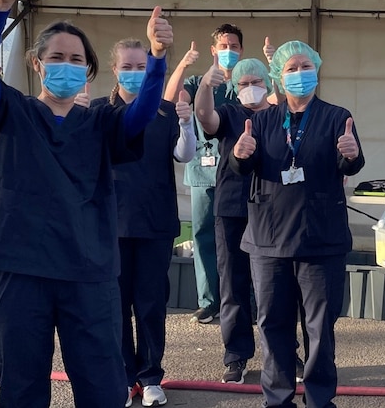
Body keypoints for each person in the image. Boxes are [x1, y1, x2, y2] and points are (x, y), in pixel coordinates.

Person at [0, 0, 173, 407]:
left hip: (86, 272)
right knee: (21, 388)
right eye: (56, 57)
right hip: (19, 270)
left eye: (76, 59)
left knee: (101, 388)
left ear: (90, 72)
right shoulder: (11, 113)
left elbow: (142, 115)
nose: (66, 65)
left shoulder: (99, 123)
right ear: (37, 65)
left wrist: (156, 58)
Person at [231, 40, 365, 408]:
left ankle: (320, 399)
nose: (300, 74)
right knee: (272, 325)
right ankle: (278, 399)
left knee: (320, 328)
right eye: (291, 68)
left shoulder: (337, 116)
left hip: (320, 238)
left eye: (306, 66)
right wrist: (239, 156)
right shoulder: (260, 121)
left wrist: (351, 156)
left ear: (317, 70)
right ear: (279, 76)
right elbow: (243, 167)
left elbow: (350, 162)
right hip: (268, 238)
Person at [88, 39, 196, 407]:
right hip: (111, 224)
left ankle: (150, 376)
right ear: (114, 70)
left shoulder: (163, 111)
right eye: (128, 67)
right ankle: (122, 375)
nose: (134, 73)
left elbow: (184, 155)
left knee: (150, 304)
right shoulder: (99, 111)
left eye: (141, 67)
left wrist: (187, 123)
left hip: (154, 222)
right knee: (114, 305)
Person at [193, 56, 273, 384]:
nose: (251, 89)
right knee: (233, 284)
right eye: (244, 84)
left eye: (257, 82)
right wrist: (205, 86)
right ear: (234, 88)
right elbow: (205, 117)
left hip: (273, 209)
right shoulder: (230, 112)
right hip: (231, 207)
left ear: (268, 84)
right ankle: (236, 356)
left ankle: (282, 353)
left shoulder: (279, 115)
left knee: (274, 288)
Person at [164, 26, 242, 324]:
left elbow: (270, 103)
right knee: (203, 235)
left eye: (234, 45)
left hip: (235, 172)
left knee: (237, 238)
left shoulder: (243, 83)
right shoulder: (198, 82)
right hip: (202, 170)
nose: (229, 50)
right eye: (223, 45)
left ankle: (240, 299)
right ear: (213, 50)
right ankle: (209, 301)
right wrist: (183, 65)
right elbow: (170, 100)